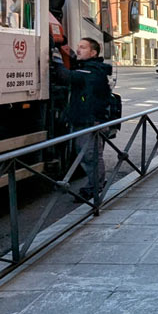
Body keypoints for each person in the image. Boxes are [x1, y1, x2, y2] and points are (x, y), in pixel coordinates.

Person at [52, 37, 112, 202]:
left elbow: (67, 76)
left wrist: (56, 59)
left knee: (90, 155)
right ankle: (96, 185)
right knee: (88, 154)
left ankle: (95, 188)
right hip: (87, 119)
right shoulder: (90, 68)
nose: (79, 50)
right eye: (78, 46)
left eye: (83, 47)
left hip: (90, 121)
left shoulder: (91, 71)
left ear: (93, 53)